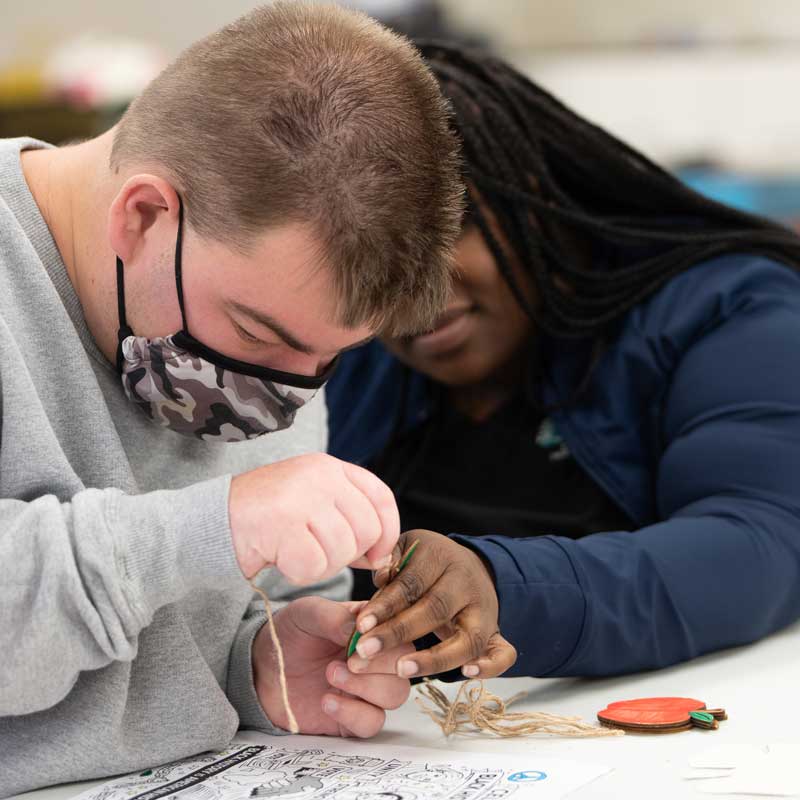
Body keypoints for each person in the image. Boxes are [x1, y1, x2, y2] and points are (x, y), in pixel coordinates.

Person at [0, 6, 462, 795]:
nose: (285, 396)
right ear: (142, 214)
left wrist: (257, 662)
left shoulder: (282, 325)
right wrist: (214, 525)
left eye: (327, 359)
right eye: (257, 334)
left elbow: (195, 613)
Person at [327, 43, 800, 685]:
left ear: (530, 194)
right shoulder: (334, 344)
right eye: (369, 254)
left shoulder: (727, 309)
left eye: (447, 230)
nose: (412, 293)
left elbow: (759, 544)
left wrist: (499, 587)